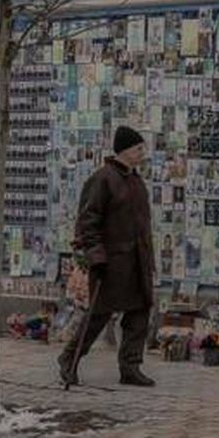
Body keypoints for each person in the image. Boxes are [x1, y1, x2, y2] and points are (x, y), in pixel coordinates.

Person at [59, 126, 156, 389]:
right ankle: (70, 358)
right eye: (138, 149)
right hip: (112, 262)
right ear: (125, 150)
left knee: (139, 313)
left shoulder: (136, 181)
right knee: (99, 315)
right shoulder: (102, 180)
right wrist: (96, 255)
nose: (142, 153)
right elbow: (88, 221)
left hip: (138, 261)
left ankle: (130, 367)